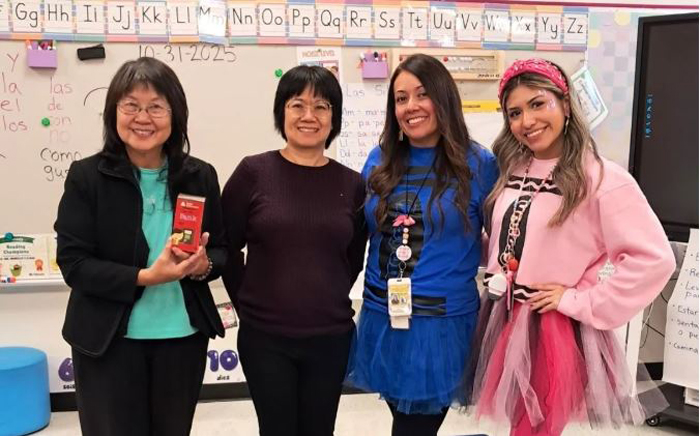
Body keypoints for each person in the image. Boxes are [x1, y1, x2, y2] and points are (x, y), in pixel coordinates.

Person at [467, 58, 675, 436]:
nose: (527, 121)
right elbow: (509, 242)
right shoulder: (512, 171)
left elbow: (654, 259)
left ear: (564, 104)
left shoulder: (601, 178)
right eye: (515, 112)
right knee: (520, 424)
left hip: (553, 330)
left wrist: (579, 300)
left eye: (538, 104)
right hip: (503, 317)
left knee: (535, 429)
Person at [54, 57, 226, 436]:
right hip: (108, 342)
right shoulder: (88, 176)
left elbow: (221, 250)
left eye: (156, 107)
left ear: (175, 114)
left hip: (182, 338)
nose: (142, 118)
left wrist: (203, 266)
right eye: (131, 105)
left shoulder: (199, 175)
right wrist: (146, 277)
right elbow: (74, 264)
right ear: (113, 112)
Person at [345, 53, 498, 436]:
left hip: (440, 325)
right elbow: (360, 230)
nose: (410, 106)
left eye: (422, 94)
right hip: (383, 316)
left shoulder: (479, 164)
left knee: (414, 428)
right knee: (404, 421)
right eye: (401, 98)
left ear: (444, 97)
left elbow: (501, 239)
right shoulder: (379, 159)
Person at [221, 65, 366, 436]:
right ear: (281, 112)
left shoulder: (352, 184)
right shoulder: (253, 172)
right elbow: (226, 246)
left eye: (321, 107)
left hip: (331, 336)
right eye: (297, 105)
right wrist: (248, 304)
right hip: (265, 338)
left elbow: (351, 257)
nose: (308, 116)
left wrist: (323, 293)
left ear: (334, 117)